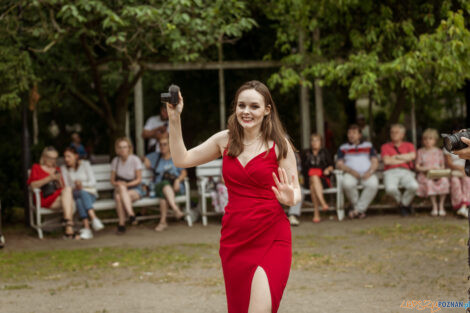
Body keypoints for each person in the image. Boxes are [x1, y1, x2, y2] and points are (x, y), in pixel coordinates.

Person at [167, 80, 300, 313]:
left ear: (267, 110)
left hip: (272, 235)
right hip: (235, 239)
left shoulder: (280, 145)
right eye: (241, 105)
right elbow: (182, 159)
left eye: (254, 106)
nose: (246, 111)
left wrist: (290, 198)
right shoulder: (224, 140)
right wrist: (175, 118)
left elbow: (295, 191)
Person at [27, 146, 78, 239]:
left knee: (68, 190)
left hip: (57, 197)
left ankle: (68, 227)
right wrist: (49, 178)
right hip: (44, 198)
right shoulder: (36, 167)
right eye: (50, 158)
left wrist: (58, 180)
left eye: (55, 158)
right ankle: (69, 227)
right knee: (70, 201)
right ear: (44, 157)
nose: (53, 161)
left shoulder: (57, 169)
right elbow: (32, 185)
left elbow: (61, 188)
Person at [143, 134, 187, 232]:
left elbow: (184, 173)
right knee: (164, 184)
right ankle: (175, 209)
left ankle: (163, 222)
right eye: (160, 145)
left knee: (163, 195)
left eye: (165, 144)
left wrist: (177, 180)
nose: (162, 147)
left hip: (175, 188)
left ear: (170, 145)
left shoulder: (176, 157)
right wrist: (146, 161)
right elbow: (144, 157)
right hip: (159, 186)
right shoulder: (156, 157)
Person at [61, 147, 104, 239]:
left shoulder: (85, 164)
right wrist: (76, 186)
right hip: (75, 193)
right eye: (65, 157)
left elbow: (93, 182)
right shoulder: (64, 169)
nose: (66, 159)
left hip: (90, 193)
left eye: (69, 156)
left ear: (76, 156)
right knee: (80, 193)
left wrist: (82, 185)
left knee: (80, 200)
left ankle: (87, 228)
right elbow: (67, 186)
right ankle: (94, 218)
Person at [336, 124, 379, 219]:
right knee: (347, 184)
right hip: (350, 173)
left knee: (373, 184)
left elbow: (375, 161)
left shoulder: (368, 146)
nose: (351, 135)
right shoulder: (343, 148)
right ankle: (359, 210)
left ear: (360, 135)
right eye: (349, 133)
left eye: (354, 133)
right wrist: (351, 171)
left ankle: (357, 210)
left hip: (367, 173)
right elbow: (339, 164)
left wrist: (370, 172)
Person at [381, 124, 419, 216]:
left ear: (402, 135)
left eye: (396, 132)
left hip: (406, 171)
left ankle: (402, 205)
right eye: (392, 132)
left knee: (414, 186)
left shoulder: (409, 145)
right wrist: (404, 158)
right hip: (390, 172)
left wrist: (395, 157)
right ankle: (404, 204)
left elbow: (412, 156)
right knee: (390, 189)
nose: (394, 134)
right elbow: (387, 161)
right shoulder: (385, 147)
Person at [110, 137, 145, 234]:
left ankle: (121, 224)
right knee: (121, 188)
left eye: (125, 147)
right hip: (120, 187)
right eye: (120, 147)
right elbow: (112, 180)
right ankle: (131, 214)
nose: (122, 150)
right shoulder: (115, 161)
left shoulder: (135, 160)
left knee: (118, 197)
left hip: (134, 188)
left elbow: (139, 179)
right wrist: (118, 183)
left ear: (129, 148)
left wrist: (126, 184)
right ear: (117, 149)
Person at [299, 133, 334, 223]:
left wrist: (328, 169)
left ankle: (316, 214)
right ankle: (323, 203)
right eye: (312, 140)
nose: (314, 142)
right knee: (313, 179)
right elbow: (302, 168)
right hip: (308, 180)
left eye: (317, 140)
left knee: (313, 185)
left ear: (321, 142)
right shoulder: (306, 153)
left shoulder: (325, 152)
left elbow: (332, 166)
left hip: (323, 179)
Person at [415, 129, 450, 216]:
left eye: (430, 139)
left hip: (438, 174)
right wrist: (427, 168)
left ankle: (441, 205)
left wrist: (438, 168)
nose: (427, 141)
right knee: (429, 182)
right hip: (426, 175)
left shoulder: (439, 151)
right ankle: (434, 206)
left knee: (445, 181)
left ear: (435, 140)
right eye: (425, 139)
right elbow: (417, 166)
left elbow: (442, 166)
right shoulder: (420, 151)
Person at [444, 145, 470, 218]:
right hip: (453, 171)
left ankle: (464, 206)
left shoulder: (467, 145)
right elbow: (449, 163)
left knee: (467, 181)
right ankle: (459, 207)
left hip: (465, 171)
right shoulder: (448, 145)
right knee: (455, 182)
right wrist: (461, 169)